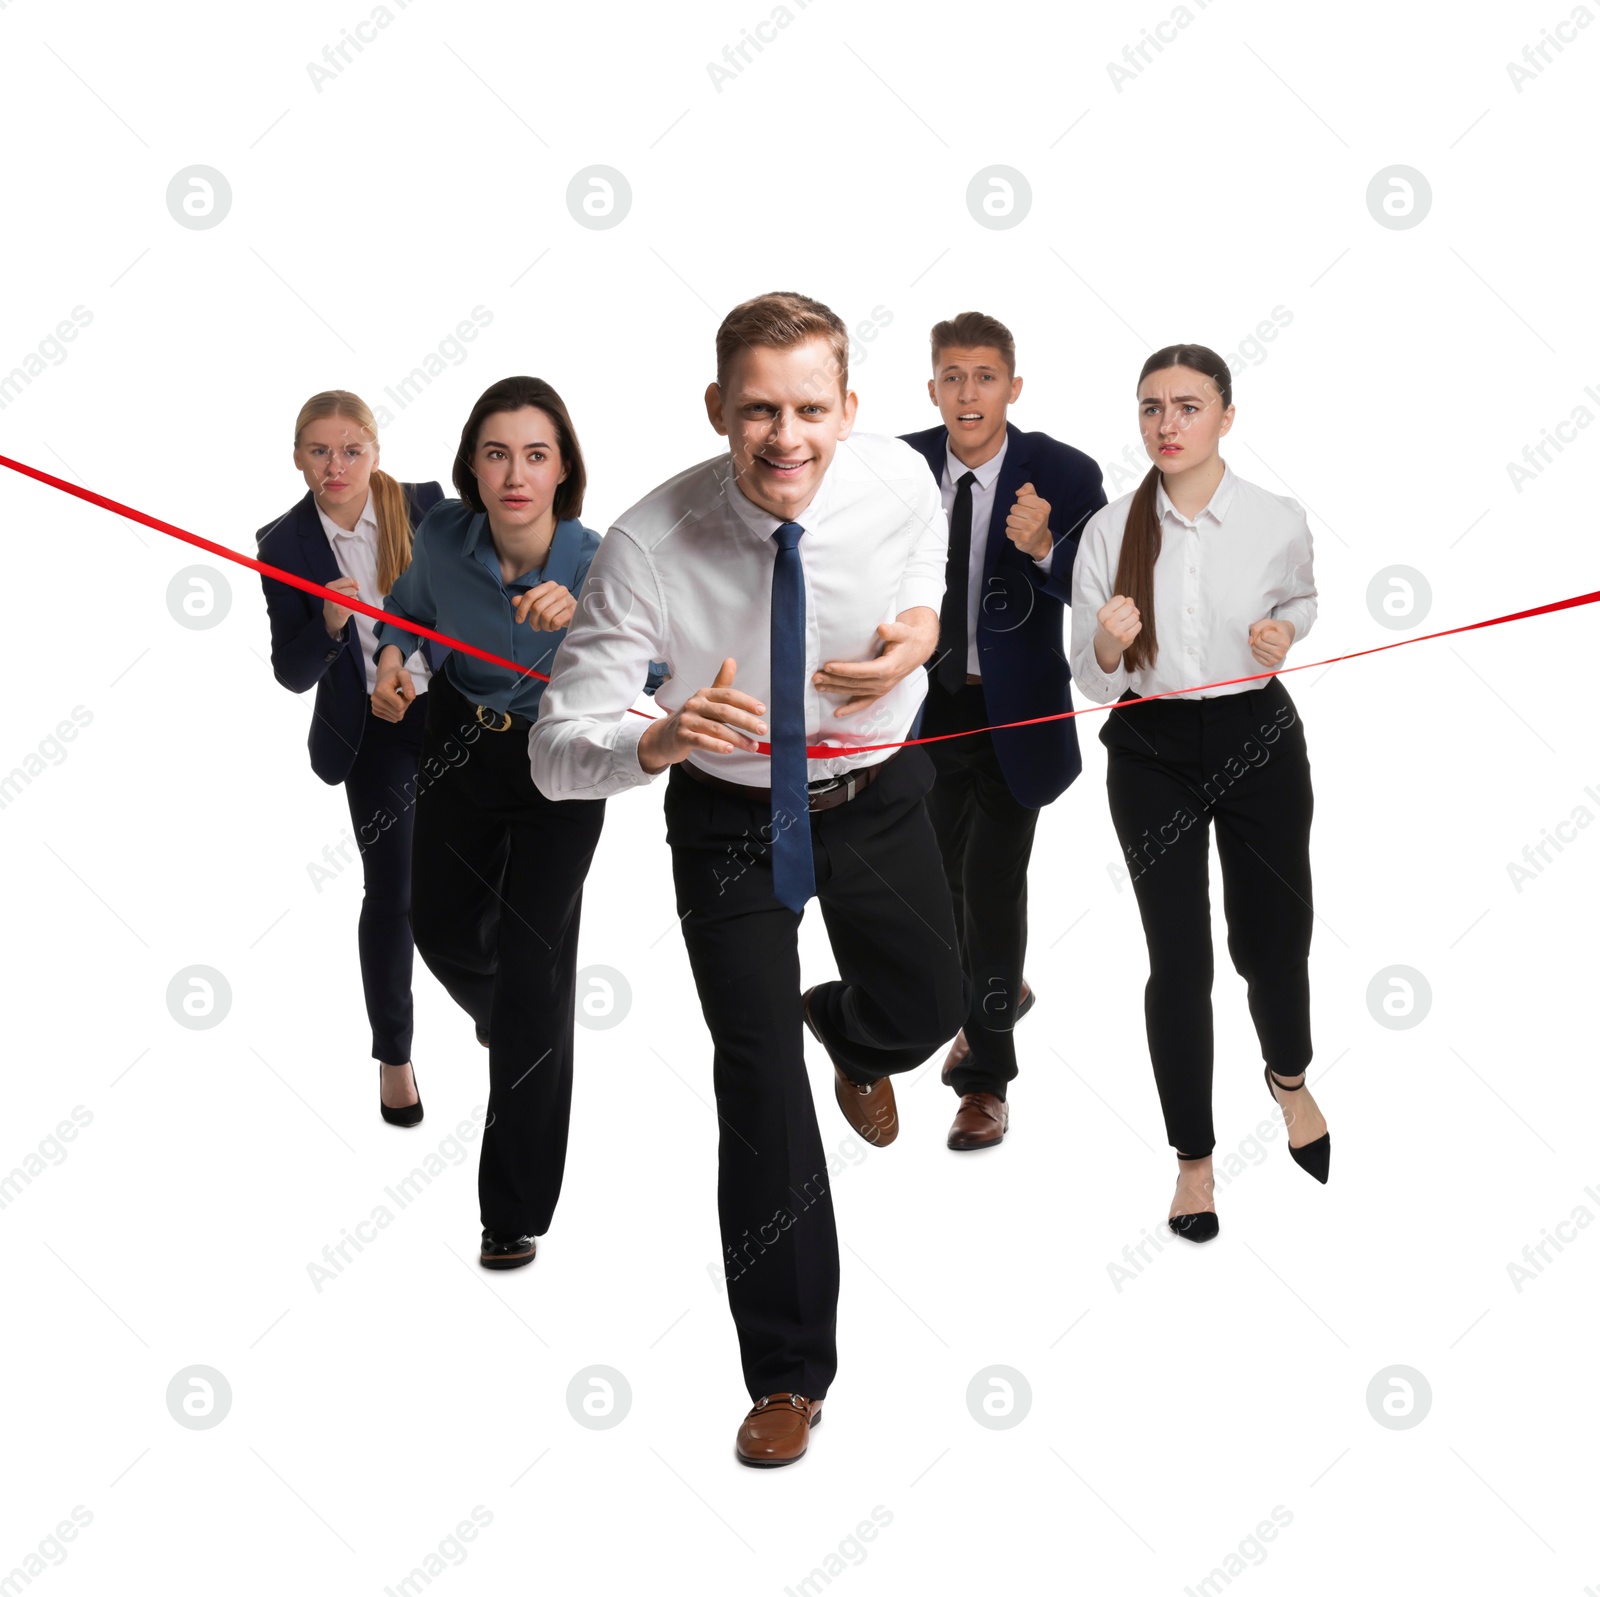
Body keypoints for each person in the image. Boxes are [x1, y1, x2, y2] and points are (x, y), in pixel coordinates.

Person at [529, 291, 967, 1467]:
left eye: (810, 409)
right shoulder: (648, 545)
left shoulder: (893, 480)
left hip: (876, 795)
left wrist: (921, 629)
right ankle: (786, 1374)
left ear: (849, 409)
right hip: (726, 818)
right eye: (759, 410)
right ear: (717, 407)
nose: (787, 439)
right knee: (757, 1080)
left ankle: (858, 1034)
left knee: (935, 1007)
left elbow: (924, 547)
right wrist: (657, 742)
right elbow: (555, 755)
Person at [1069, 343, 1328, 1245]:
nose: (1166, 425)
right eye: (1150, 408)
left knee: (1274, 939)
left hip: (1258, 736)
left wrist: (1279, 633)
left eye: (1186, 406)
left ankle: (1288, 1079)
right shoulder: (1108, 532)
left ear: (1226, 414)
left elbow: (1304, 599)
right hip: (1151, 748)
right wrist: (1106, 644)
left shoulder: (1275, 517)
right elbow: (1091, 683)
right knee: (1180, 960)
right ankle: (1194, 1161)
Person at [371, 375, 616, 1270]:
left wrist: (588, 618)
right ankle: (520, 1022)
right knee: (436, 926)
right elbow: (405, 612)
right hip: (459, 748)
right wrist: (394, 661)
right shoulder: (443, 535)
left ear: (563, 471)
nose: (516, 473)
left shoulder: (598, 559)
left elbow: (662, 668)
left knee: (532, 972)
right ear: (472, 468)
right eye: (497, 452)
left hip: (560, 758)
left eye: (536, 454)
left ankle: (510, 1212)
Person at [902, 311, 1106, 1150]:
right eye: (952, 376)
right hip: (922, 706)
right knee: (932, 885)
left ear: (1012, 388)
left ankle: (985, 1078)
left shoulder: (1063, 470)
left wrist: (1047, 546)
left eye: (985, 376)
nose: (968, 393)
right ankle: (996, 988)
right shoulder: (899, 466)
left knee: (991, 884)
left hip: (1013, 711)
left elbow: (1104, 598)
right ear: (933, 388)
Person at [257, 391, 445, 1127]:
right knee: (393, 891)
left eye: (351, 450)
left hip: (450, 712)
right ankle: (395, 1056)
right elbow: (291, 671)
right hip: (370, 734)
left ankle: (487, 996)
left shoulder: (426, 507)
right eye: (318, 451)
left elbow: (466, 607)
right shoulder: (283, 545)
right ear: (297, 457)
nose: (335, 466)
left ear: (375, 451)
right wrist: (332, 626)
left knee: (485, 869)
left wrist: (414, 664)